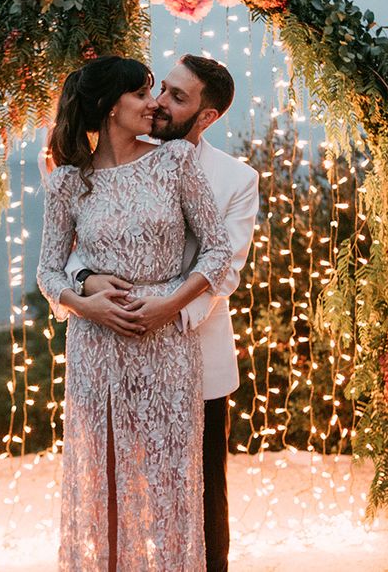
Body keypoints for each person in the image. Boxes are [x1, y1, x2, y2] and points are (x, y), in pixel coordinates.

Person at [58, 54, 260, 572]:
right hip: (110, 348)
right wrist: (86, 282)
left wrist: (162, 309)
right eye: (161, 90)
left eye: (176, 97)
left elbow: (226, 267)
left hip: (194, 350)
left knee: (199, 492)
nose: (161, 104)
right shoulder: (102, 165)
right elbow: (82, 246)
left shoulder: (235, 178)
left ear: (206, 115)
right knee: (111, 484)